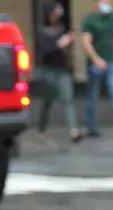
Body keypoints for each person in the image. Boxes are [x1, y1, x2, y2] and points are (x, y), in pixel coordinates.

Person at [81, 0, 113, 137]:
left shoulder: (112, 18)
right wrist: (95, 59)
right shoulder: (90, 20)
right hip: (95, 63)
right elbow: (86, 42)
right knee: (92, 95)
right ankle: (92, 127)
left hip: (111, 61)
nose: (106, 3)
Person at [35, 0, 82, 143]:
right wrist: (59, 44)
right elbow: (45, 50)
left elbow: (64, 48)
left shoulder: (60, 27)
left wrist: (68, 44)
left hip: (62, 69)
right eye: (55, 12)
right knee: (47, 101)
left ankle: (73, 130)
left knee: (67, 99)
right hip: (47, 70)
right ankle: (42, 127)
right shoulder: (42, 31)